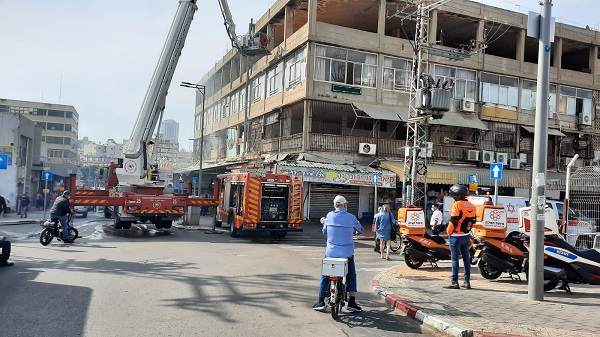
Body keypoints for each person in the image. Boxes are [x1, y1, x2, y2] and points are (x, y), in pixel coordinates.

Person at [313, 195, 364, 313]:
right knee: (351, 274)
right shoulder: (351, 217)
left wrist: (324, 222)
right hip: (347, 254)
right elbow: (361, 230)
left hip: (331, 253)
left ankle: (320, 301)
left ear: (335, 205)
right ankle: (352, 302)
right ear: (345, 205)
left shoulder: (329, 216)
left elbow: (324, 231)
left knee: (325, 275)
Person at [444, 185, 476, 290]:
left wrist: (448, 232)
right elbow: (473, 221)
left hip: (455, 236)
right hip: (466, 235)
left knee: (455, 259)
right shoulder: (472, 205)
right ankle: (466, 282)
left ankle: (454, 282)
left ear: (456, 195)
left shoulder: (457, 205)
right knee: (466, 259)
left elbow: (453, 221)